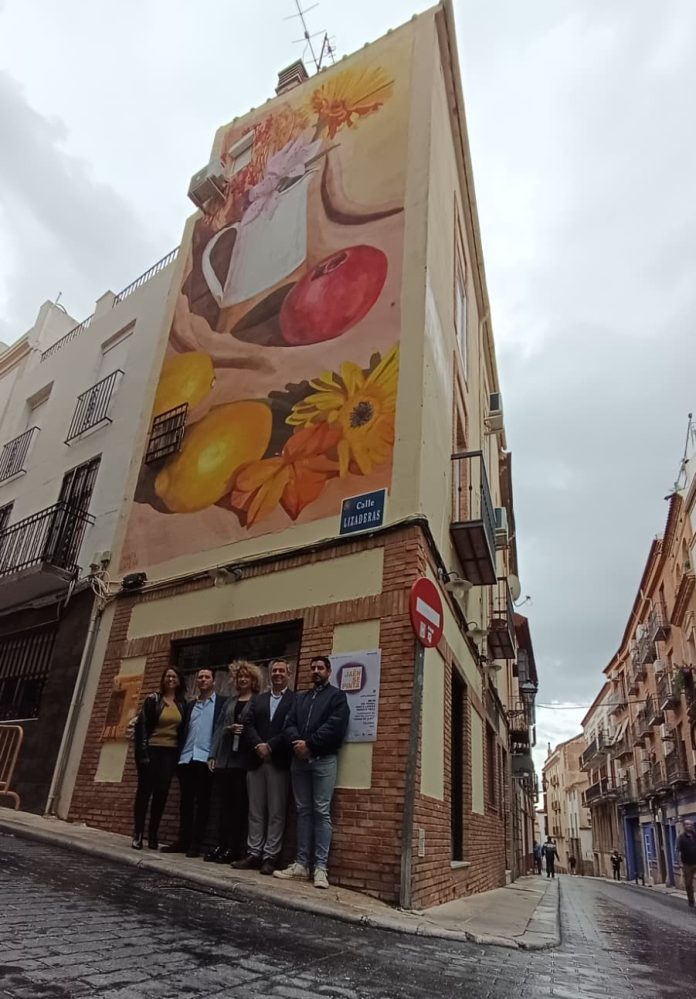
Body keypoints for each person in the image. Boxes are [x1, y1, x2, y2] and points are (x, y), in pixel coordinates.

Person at [274, 655, 349, 889]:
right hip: (299, 761)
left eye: (320, 668)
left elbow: (336, 726)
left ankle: (320, 868)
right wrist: (298, 742)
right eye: (313, 668)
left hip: (323, 760)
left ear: (329, 671)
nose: (316, 671)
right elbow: (288, 724)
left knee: (321, 810)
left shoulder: (337, 697)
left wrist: (311, 745)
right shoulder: (300, 698)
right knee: (303, 811)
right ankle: (301, 865)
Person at [233, 658, 295, 875]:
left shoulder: (294, 700)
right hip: (256, 761)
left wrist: (270, 746)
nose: (277, 674)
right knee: (255, 810)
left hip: (278, 761)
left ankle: (270, 856)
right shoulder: (258, 700)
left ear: (289, 674)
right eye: (274, 671)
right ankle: (254, 853)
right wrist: (259, 745)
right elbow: (247, 724)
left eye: (281, 670)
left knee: (277, 811)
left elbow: (291, 727)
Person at [162, 668, 227, 858]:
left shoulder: (221, 704)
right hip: (186, 758)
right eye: (200, 677)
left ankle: (196, 843)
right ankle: (183, 840)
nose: (203, 680)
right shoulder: (190, 705)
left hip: (206, 759)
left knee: (203, 803)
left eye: (207, 677)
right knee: (186, 802)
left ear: (214, 681)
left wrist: (215, 756)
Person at [205, 661, 261, 864]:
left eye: (247, 676)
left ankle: (234, 848)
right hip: (225, 760)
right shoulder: (230, 702)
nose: (243, 679)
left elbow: (258, 728)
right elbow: (219, 728)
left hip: (243, 762)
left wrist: (245, 731)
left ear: (254, 680)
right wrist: (213, 755)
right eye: (240, 677)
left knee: (239, 807)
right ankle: (221, 845)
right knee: (223, 806)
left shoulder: (257, 701)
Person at [132, 667, 187, 850]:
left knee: (161, 793)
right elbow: (142, 726)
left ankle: (153, 834)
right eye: (168, 676)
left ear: (179, 680)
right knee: (144, 793)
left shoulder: (182, 704)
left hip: (170, 753)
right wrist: (143, 754)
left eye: (174, 676)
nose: (171, 679)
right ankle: (138, 834)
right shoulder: (152, 700)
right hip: (152, 750)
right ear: (163, 680)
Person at [676, 818, 696, 908]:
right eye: (688, 824)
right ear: (684, 826)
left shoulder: (695, 835)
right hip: (687, 864)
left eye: (691, 824)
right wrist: (680, 863)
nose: (690, 826)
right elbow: (678, 850)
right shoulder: (681, 838)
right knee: (688, 883)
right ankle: (691, 900)